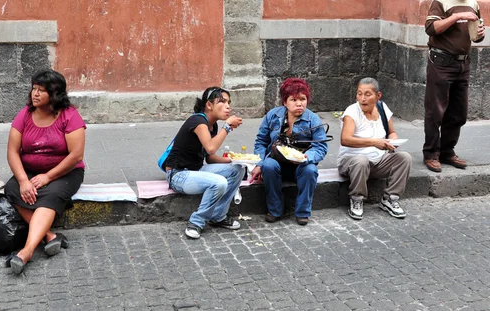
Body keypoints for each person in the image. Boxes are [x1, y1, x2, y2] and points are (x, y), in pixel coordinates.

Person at [4, 70, 86, 275]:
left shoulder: (70, 116)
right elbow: (12, 151)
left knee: (49, 195)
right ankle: (49, 235)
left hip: (64, 173)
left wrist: (48, 177)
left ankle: (26, 251)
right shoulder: (24, 114)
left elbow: (76, 155)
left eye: (42, 90)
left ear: (55, 94)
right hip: (30, 171)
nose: (35, 94)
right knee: (12, 189)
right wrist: (23, 180)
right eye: (34, 89)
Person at [423, 0, 485, 172]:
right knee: (435, 111)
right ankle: (431, 153)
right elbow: (431, 28)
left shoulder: (474, 3)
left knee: (458, 112)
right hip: (441, 62)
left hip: (463, 63)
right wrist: (457, 16)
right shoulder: (441, 2)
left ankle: (447, 151)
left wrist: (479, 35)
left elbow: (474, 33)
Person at [164, 87, 244, 239]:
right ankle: (196, 222)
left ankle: (218, 216)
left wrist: (237, 160)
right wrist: (227, 127)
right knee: (219, 182)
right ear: (209, 105)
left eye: (229, 102)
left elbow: (210, 157)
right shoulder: (198, 121)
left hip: (197, 170)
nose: (228, 106)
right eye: (222, 101)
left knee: (237, 170)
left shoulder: (212, 126)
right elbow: (211, 146)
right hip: (178, 174)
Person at [250, 78, 328, 225]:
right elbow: (261, 141)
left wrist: (306, 157)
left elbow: (321, 147)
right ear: (285, 102)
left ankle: (303, 212)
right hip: (277, 163)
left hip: (300, 166)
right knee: (268, 165)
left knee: (310, 170)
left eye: (303, 99)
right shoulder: (273, 116)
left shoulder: (313, 120)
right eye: (294, 99)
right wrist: (259, 163)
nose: (299, 103)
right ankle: (275, 210)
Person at [338, 78, 412, 220]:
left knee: (405, 158)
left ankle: (390, 198)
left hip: (378, 161)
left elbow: (392, 131)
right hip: (352, 163)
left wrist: (393, 139)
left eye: (367, 94)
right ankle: (357, 199)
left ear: (378, 96)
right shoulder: (352, 112)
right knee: (361, 160)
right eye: (359, 94)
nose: (362, 99)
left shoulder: (383, 108)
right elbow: (345, 139)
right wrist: (373, 142)